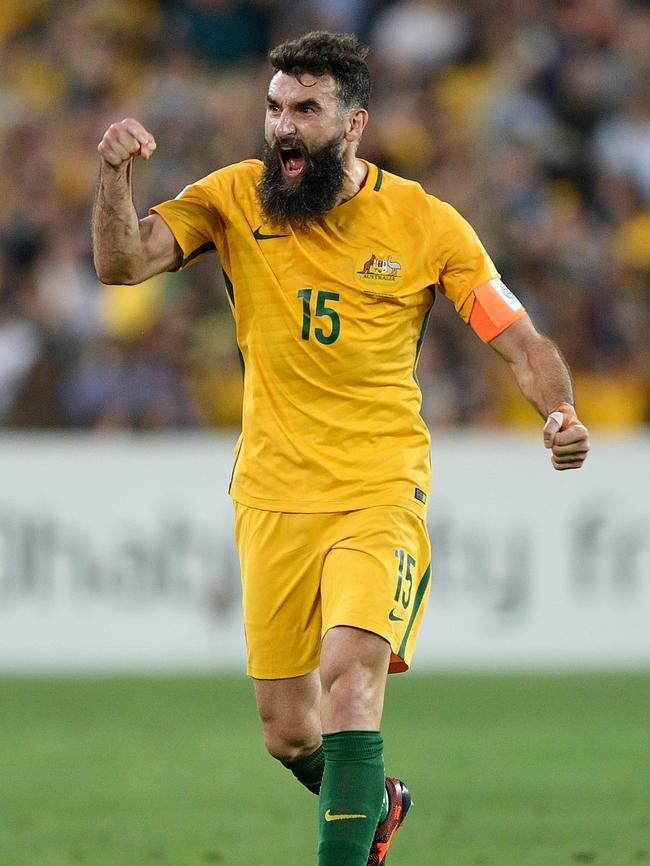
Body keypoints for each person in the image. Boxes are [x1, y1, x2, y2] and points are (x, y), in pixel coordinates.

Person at [92, 30, 590, 866]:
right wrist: (113, 178)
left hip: (378, 488)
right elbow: (121, 264)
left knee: (352, 679)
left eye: (306, 110)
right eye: (275, 108)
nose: (283, 128)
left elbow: (521, 340)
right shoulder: (232, 198)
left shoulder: (425, 222)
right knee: (289, 733)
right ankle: (377, 800)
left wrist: (560, 410)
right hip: (271, 494)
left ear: (353, 123)